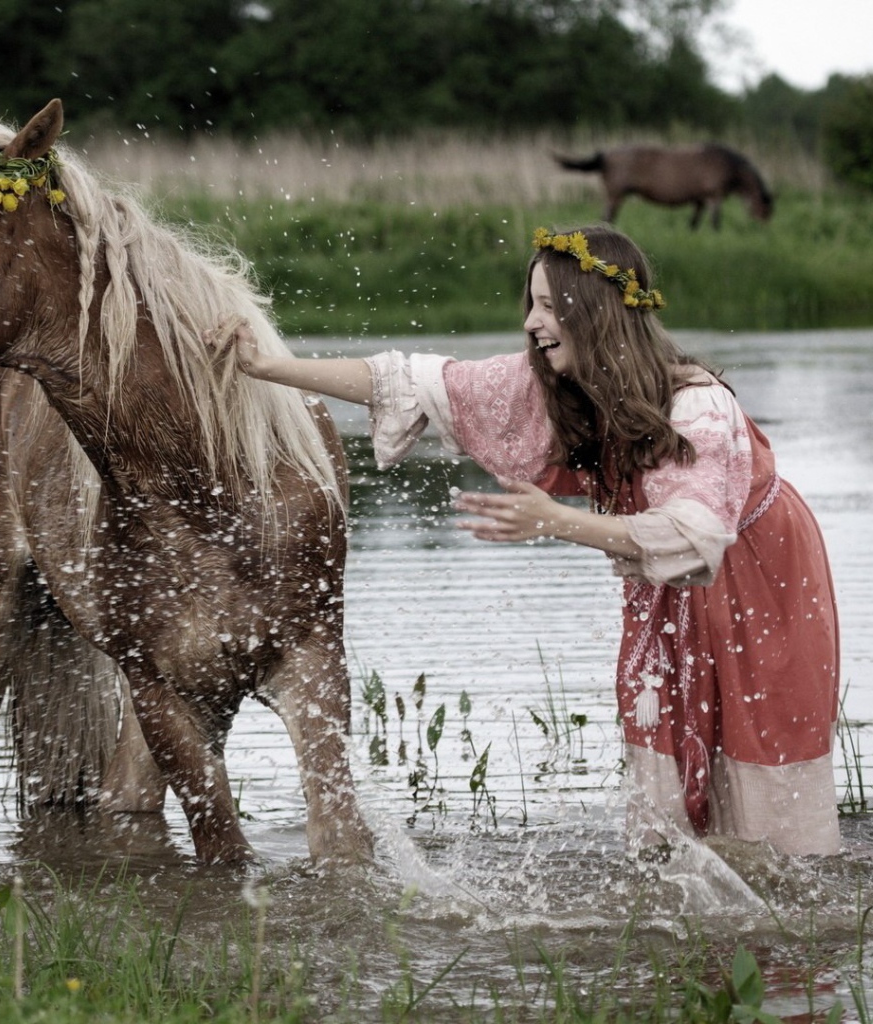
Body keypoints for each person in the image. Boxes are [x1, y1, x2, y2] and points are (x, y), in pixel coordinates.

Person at [210, 224, 841, 857]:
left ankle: (782, 894)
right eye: (530, 304)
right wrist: (266, 367)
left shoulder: (697, 406)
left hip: (758, 571)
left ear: (592, 314)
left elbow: (694, 540)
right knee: (662, 735)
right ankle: (682, 878)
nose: (533, 323)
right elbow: (407, 381)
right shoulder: (553, 382)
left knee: (759, 743)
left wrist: (554, 521)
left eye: (548, 306)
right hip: (663, 578)